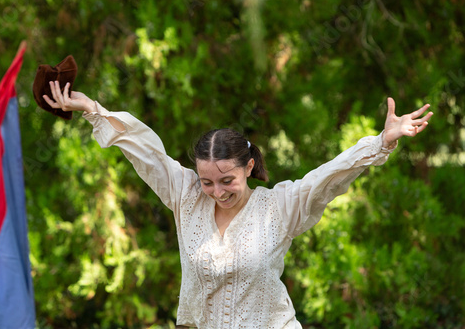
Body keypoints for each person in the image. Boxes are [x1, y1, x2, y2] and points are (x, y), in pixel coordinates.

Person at [44, 81, 433, 328]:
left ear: (249, 166)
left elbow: (327, 177)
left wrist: (380, 142)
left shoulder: (280, 207)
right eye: (207, 181)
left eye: (227, 180)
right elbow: (147, 152)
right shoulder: (185, 197)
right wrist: (94, 110)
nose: (216, 191)